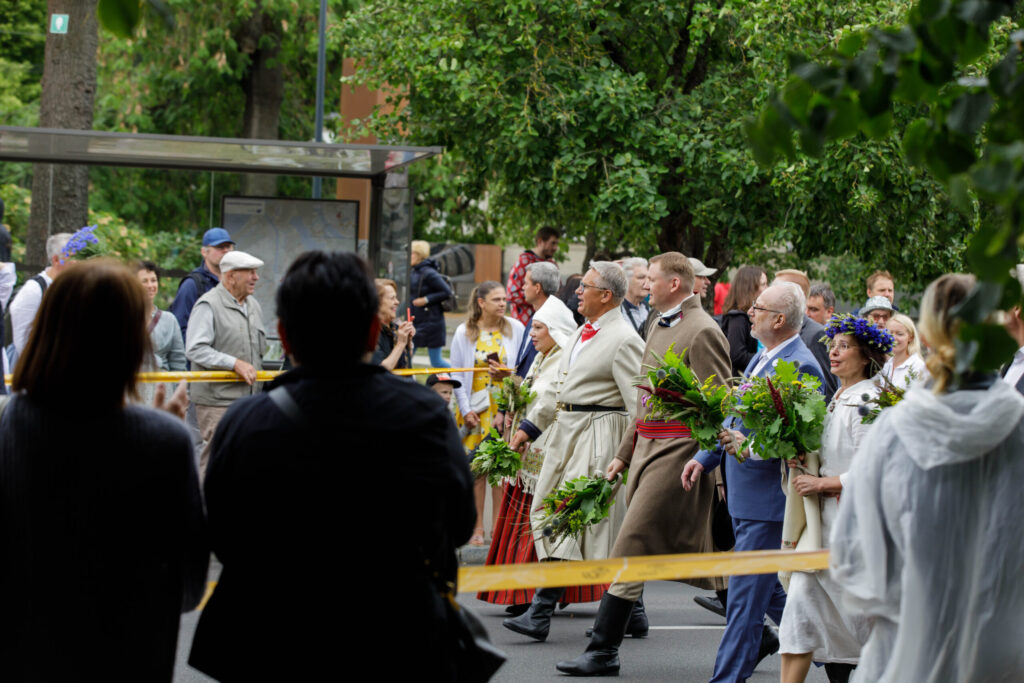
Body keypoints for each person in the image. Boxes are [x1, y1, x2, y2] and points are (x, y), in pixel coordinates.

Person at [189, 251, 476, 681]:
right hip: (397, 639)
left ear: (283, 337)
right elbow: (458, 523)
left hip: (273, 643)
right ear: (372, 329)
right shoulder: (424, 415)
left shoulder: (247, 423)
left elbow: (224, 535)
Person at [0, 260, 207, 680]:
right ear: (132, 340)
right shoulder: (166, 441)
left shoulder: (12, 423)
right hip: (130, 658)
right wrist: (162, 430)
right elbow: (188, 588)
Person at [830, 273, 1024, 683]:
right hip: (1002, 648)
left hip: (910, 645)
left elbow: (850, 552)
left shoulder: (893, 429)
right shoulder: (1016, 427)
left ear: (929, 330)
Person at [556, 253, 731, 676]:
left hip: (677, 455)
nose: (644, 284)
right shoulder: (658, 323)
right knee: (699, 552)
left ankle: (603, 649)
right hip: (648, 451)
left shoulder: (703, 329)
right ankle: (759, 630)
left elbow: (721, 403)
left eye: (650, 278)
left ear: (674, 284)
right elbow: (644, 398)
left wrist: (706, 460)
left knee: (632, 543)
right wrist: (623, 453)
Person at [682, 281, 827, 683]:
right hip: (746, 499)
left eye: (759, 308)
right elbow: (736, 419)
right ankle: (841, 659)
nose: (750, 312)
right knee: (775, 598)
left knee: (745, 602)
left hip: (767, 503)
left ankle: (726, 679)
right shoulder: (767, 355)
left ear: (779, 320)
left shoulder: (801, 365)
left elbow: (800, 442)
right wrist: (705, 456)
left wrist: (748, 448)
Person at [504, 262, 644, 642]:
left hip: (598, 436)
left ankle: (540, 612)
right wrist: (528, 429)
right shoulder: (584, 330)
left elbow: (639, 406)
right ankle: (636, 612)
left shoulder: (625, 339)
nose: (577, 291)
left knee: (568, 519)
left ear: (607, 296)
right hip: (567, 433)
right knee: (555, 515)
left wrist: (626, 454)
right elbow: (557, 388)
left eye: (586, 286)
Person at [778, 314, 892, 683]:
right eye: (833, 345)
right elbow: (829, 454)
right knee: (800, 617)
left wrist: (823, 484)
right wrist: (801, 461)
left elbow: (873, 468)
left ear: (866, 356)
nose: (834, 352)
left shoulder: (868, 401)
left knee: (860, 625)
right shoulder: (838, 396)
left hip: (852, 529)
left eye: (844, 346)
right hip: (822, 530)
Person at [476, 297, 601, 613]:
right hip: (530, 452)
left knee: (540, 522)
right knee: (529, 521)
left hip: (547, 452)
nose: (532, 334)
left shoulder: (562, 360)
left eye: (539, 328)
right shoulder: (543, 358)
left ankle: (531, 594)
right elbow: (530, 393)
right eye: (532, 327)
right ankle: (527, 593)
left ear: (556, 331)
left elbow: (546, 403)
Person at [450, 281, 525, 545]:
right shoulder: (464, 332)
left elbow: (524, 368)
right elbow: (457, 374)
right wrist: (465, 408)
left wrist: (507, 373)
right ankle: (478, 526)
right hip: (476, 408)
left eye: (504, 299)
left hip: (505, 406)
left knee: (501, 468)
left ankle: (498, 527)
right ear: (481, 303)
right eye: (496, 300)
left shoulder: (515, 328)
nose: (503, 304)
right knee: (477, 469)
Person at [186, 250, 267, 478]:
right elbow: (195, 348)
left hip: (249, 401)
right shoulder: (208, 305)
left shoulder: (254, 306)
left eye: (256, 272)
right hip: (218, 403)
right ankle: (204, 511)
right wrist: (233, 364)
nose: (256, 277)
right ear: (230, 276)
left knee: (243, 465)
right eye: (250, 272)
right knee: (216, 462)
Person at [8, 232, 72, 361]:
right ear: (56, 260)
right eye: (76, 258)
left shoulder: (75, 286)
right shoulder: (34, 290)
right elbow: (23, 340)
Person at [773, 269, 835, 401]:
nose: (808, 313)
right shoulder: (777, 331)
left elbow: (826, 390)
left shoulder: (816, 335)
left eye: (814, 309)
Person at [170, 227, 235, 341]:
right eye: (219, 247)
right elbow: (179, 328)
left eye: (228, 246)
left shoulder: (235, 283)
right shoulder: (192, 285)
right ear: (204, 252)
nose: (225, 251)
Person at [137, 260, 187, 404]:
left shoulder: (169, 320)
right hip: (132, 392)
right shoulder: (123, 318)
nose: (150, 286)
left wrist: (181, 396)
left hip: (162, 393)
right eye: (144, 281)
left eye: (153, 280)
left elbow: (178, 363)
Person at [511, 261, 561, 378]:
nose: (522, 287)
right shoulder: (535, 317)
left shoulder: (555, 322)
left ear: (537, 288)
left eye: (526, 283)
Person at [410, 240, 453, 368]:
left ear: (419, 255)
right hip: (419, 321)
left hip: (431, 323)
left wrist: (426, 299)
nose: (409, 256)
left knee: (436, 361)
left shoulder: (429, 273)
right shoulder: (415, 271)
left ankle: (458, 377)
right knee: (407, 359)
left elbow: (447, 291)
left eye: (412, 253)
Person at [719, 265, 768, 376]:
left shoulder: (743, 316)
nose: (767, 288)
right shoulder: (738, 318)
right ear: (750, 287)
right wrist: (766, 358)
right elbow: (737, 355)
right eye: (763, 284)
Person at [506, 226, 560, 325]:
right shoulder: (524, 261)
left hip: (546, 323)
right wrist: (538, 298)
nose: (555, 248)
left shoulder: (553, 264)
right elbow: (512, 295)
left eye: (557, 244)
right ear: (540, 242)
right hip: (524, 323)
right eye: (552, 243)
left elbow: (558, 292)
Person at [372, 278, 415, 371]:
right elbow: (380, 371)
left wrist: (408, 342)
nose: (397, 302)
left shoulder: (395, 328)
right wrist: (400, 343)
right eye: (392, 298)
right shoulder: (371, 332)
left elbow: (405, 364)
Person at [882, 313, 928, 388]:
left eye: (899, 334)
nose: (893, 338)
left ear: (910, 337)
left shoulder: (918, 367)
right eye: (890, 333)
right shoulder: (886, 365)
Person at [619, 257, 650, 336]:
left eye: (649, 278)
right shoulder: (616, 311)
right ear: (626, 280)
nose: (647, 283)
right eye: (641, 277)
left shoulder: (648, 308)